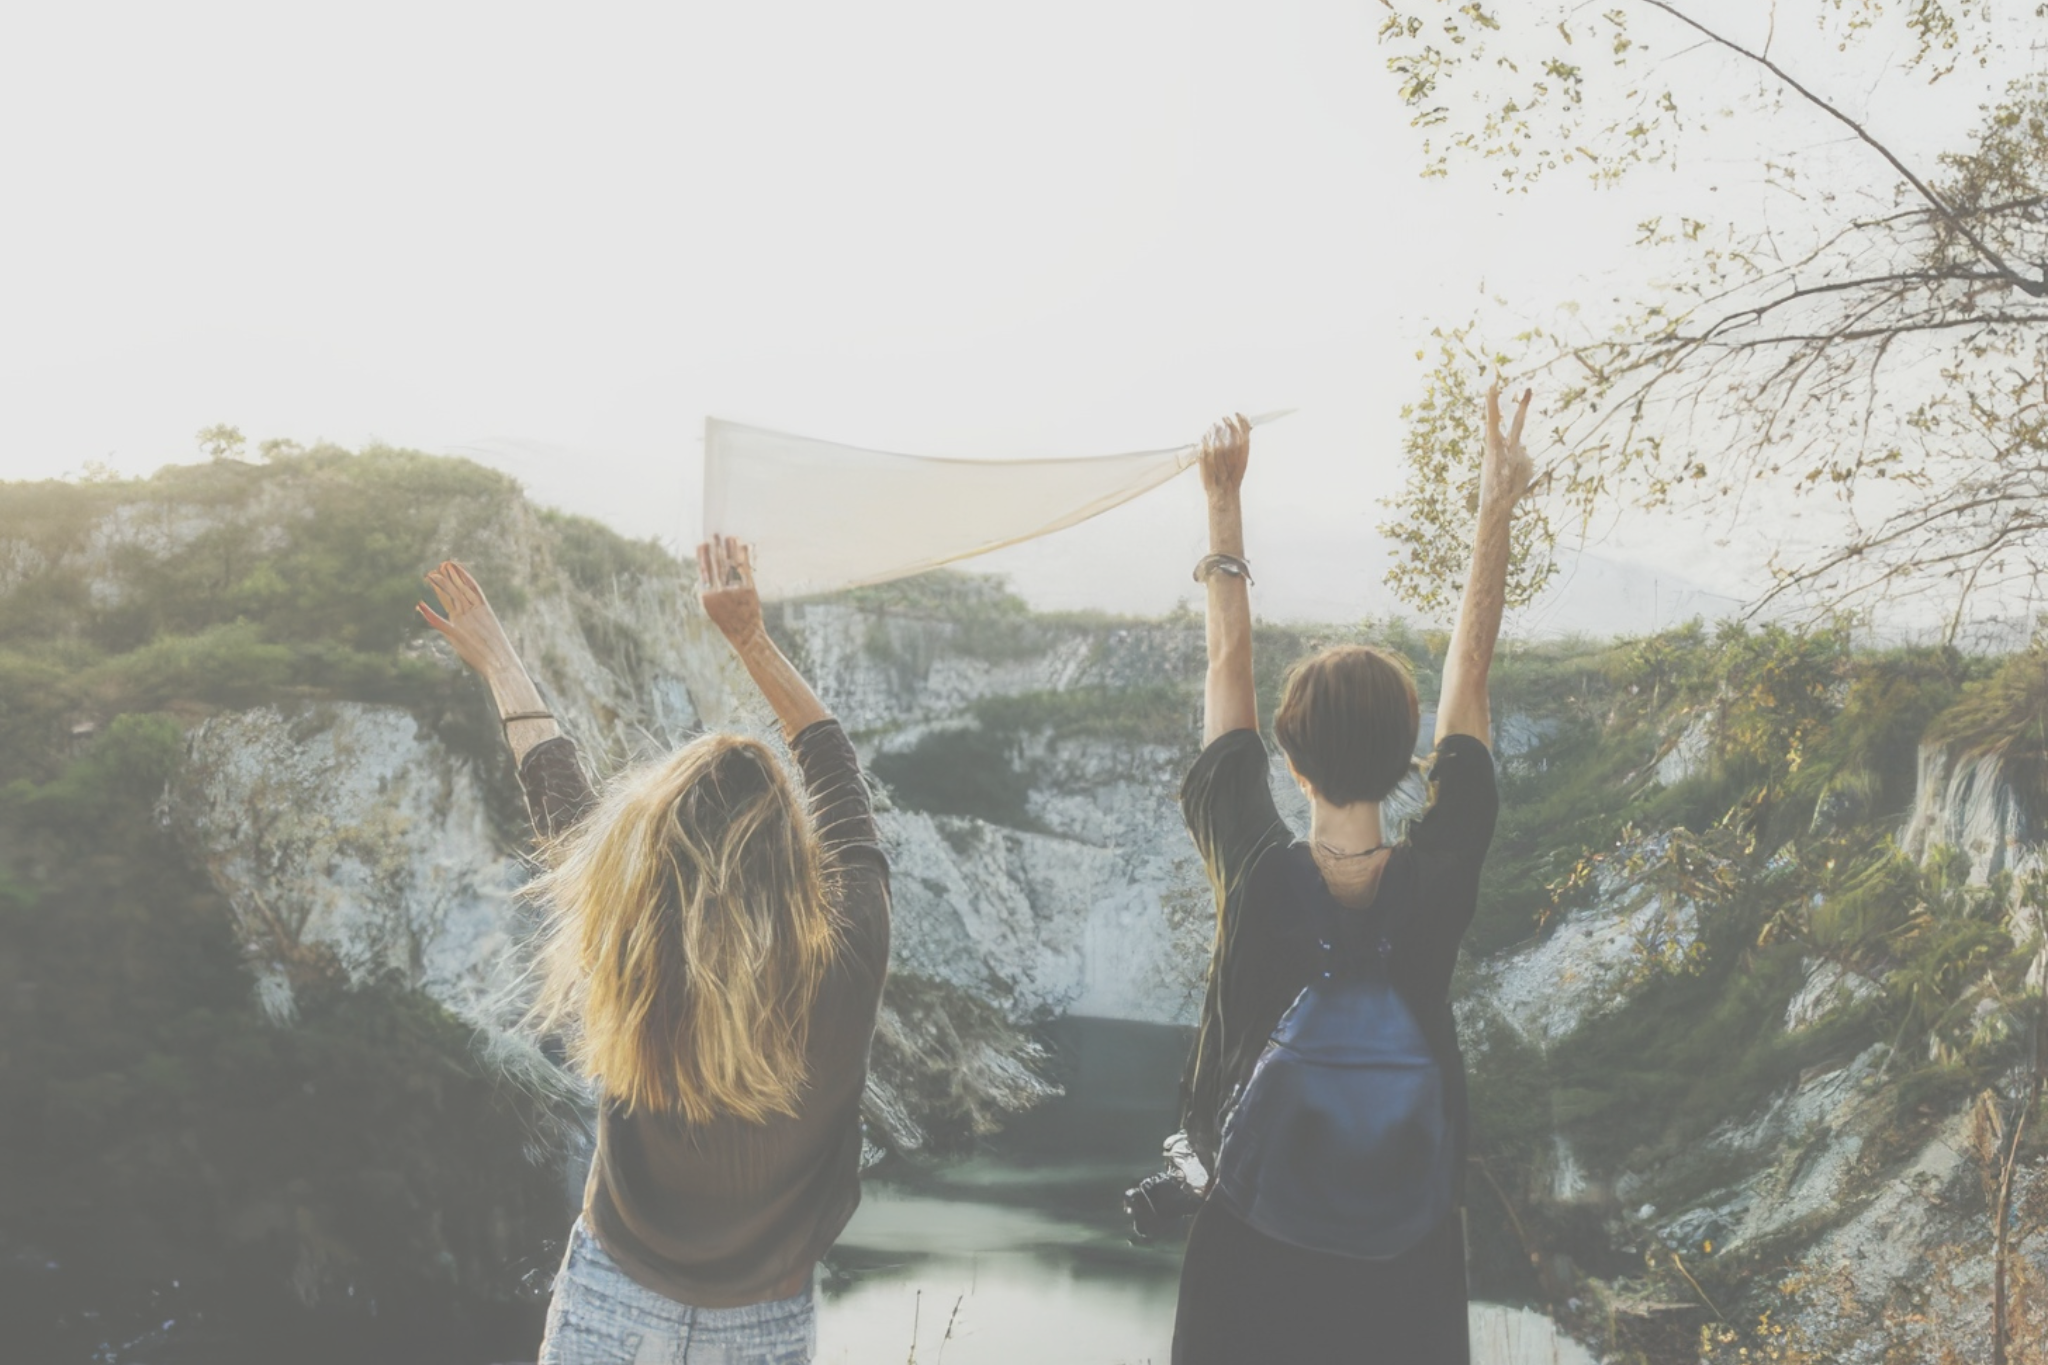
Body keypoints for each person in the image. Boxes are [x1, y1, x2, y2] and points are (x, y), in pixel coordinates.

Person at [416, 538, 890, 1365]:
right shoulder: (848, 952)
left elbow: (557, 790)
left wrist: (500, 660)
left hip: (614, 1298)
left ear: (657, 851)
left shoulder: (628, 934)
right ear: (789, 852)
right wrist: (749, 638)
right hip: (764, 1322)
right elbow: (833, 766)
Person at [1169, 385, 1537, 1364]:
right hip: (1404, 1261)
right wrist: (1494, 508)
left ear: (1287, 760)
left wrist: (1221, 498)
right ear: (1407, 757)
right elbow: (1470, 677)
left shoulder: (1252, 874)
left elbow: (1226, 663)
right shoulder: (1437, 880)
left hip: (1248, 1250)